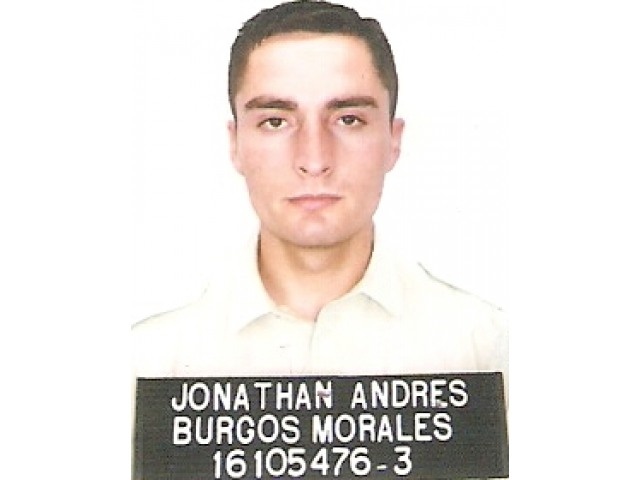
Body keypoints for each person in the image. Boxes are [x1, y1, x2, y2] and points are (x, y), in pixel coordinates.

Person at [133, 0, 507, 386]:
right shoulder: (147, 362)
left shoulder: (486, 349)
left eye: (348, 119)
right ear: (235, 144)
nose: (314, 160)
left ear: (393, 140)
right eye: (275, 121)